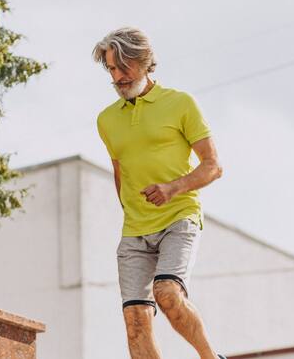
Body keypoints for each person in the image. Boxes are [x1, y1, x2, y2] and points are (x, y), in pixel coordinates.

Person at [93, 27, 227, 359]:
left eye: (124, 67)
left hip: (178, 218)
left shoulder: (180, 103)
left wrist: (172, 188)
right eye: (111, 69)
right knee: (135, 321)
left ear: (144, 62)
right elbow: (120, 171)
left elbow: (213, 165)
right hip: (135, 231)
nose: (118, 77)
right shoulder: (107, 119)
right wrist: (130, 213)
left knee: (167, 293)